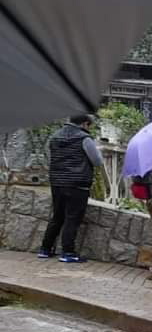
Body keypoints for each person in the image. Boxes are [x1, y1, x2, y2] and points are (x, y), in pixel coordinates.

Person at [38, 113, 103, 263]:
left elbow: (51, 157)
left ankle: (45, 249)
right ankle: (68, 252)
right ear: (85, 124)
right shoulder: (84, 138)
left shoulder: (55, 136)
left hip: (57, 182)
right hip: (77, 184)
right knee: (72, 218)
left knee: (57, 216)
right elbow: (97, 161)